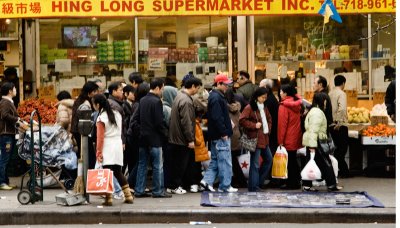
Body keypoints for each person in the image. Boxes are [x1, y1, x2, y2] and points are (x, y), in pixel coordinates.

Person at [92, 94, 134, 206]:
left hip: (107, 146)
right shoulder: (117, 114)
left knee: (107, 173)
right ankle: (128, 196)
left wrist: (98, 152)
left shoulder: (101, 118)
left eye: (94, 104)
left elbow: (100, 138)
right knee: (118, 171)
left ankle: (108, 199)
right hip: (117, 144)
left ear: (98, 104)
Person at [200, 74, 237, 193]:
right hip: (221, 135)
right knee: (225, 161)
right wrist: (223, 132)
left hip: (216, 134)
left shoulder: (215, 96)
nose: (227, 87)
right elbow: (217, 117)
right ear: (219, 84)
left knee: (216, 160)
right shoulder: (217, 97)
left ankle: (206, 181)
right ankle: (225, 186)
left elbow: (218, 116)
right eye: (225, 84)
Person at [134, 78, 171, 198]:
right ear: (157, 88)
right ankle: (157, 191)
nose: (163, 91)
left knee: (142, 165)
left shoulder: (142, 100)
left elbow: (137, 118)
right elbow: (159, 122)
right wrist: (165, 134)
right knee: (157, 165)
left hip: (142, 138)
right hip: (155, 139)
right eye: (162, 88)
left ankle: (139, 190)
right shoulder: (157, 102)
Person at [168, 77, 202, 194]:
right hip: (181, 139)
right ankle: (174, 186)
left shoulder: (179, 96)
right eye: (197, 88)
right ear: (192, 86)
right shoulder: (186, 101)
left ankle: (175, 185)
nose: (197, 90)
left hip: (175, 137)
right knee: (180, 164)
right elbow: (186, 122)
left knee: (178, 163)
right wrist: (190, 139)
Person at [302, 93, 342, 192]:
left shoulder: (314, 111)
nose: (326, 103)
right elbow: (313, 129)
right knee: (325, 163)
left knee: (310, 162)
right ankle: (331, 184)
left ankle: (307, 185)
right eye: (325, 101)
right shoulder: (317, 112)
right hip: (317, 142)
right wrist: (312, 145)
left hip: (313, 141)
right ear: (323, 101)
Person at [239, 87, 273, 192]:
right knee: (255, 164)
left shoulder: (264, 107)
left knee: (268, 160)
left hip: (264, 138)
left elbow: (269, 119)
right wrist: (254, 125)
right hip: (255, 139)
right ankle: (254, 186)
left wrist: (268, 129)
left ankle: (256, 183)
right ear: (257, 96)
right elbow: (242, 120)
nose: (264, 99)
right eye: (263, 97)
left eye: (265, 97)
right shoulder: (249, 107)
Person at [277, 84, 303, 189]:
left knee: (290, 162)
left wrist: (280, 141)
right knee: (293, 160)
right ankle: (296, 181)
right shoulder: (297, 104)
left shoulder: (284, 106)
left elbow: (282, 126)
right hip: (296, 136)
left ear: (286, 93)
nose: (280, 93)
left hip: (287, 137)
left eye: (281, 92)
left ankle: (291, 183)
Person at [71, 81, 99, 160]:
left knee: (82, 153)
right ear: (89, 93)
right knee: (88, 154)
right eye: (94, 91)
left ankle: (82, 170)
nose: (96, 93)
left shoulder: (79, 100)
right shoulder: (86, 103)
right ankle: (85, 170)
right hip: (83, 131)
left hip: (77, 130)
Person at [329, 75, 351, 178]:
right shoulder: (341, 94)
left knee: (337, 148)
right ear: (343, 83)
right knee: (342, 149)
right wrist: (338, 122)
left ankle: (342, 170)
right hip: (340, 125)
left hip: (331, 124)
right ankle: (344, 171)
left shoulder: (330, 93)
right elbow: (342, 109)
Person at [225, 88, 247, 188]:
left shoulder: (224, 108)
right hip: (237, 136)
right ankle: (239, 180)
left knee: (231, 161)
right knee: (234, 160)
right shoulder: (237, 108)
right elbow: (241, 122)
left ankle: (240, 181)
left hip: (229, 136)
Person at [0, 82, 20, 190]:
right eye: (15, 88)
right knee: (4, 159)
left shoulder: (8, 102)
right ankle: (2, 182)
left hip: (9, 134)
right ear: (10, 91)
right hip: (6, 134)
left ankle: (5, 181)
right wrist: (17, 119)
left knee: (7, 159)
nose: (16, 90)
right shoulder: (5, 102)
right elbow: (4, 115)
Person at [122, 85, 136, 174]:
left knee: (131, 160)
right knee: (125, 160)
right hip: (127, 137)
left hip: (131, 137)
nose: (134, 94)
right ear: (126, 94)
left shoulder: (134, 104)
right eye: (132, 93)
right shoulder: (124, 105)